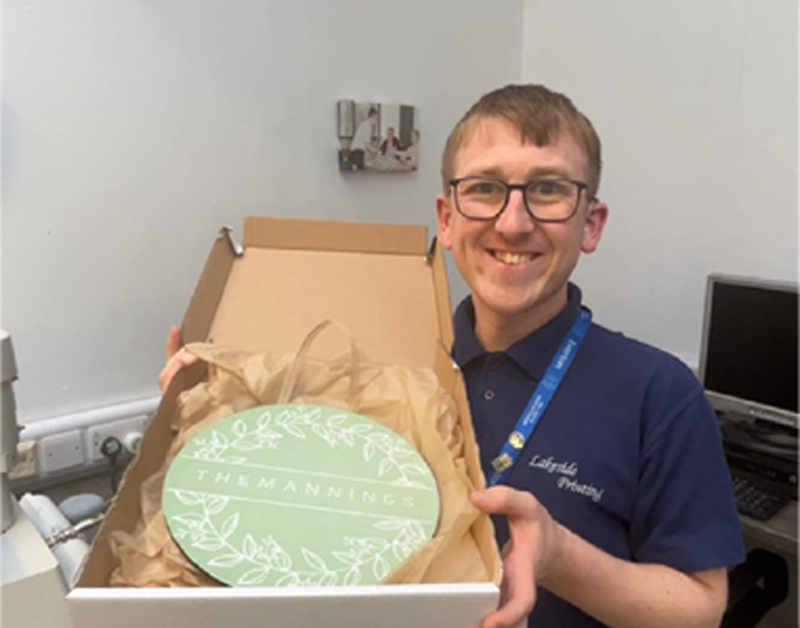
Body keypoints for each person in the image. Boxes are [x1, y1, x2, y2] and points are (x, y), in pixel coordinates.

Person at [160, 84, 745, 628]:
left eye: (548, 189)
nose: (513, 223)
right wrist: (206, 423)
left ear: (589, 224)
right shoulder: (375, 370)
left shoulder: (659, 394)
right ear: (446, 218)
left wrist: (560, 556)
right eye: (485, 188)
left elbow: (702, 607)